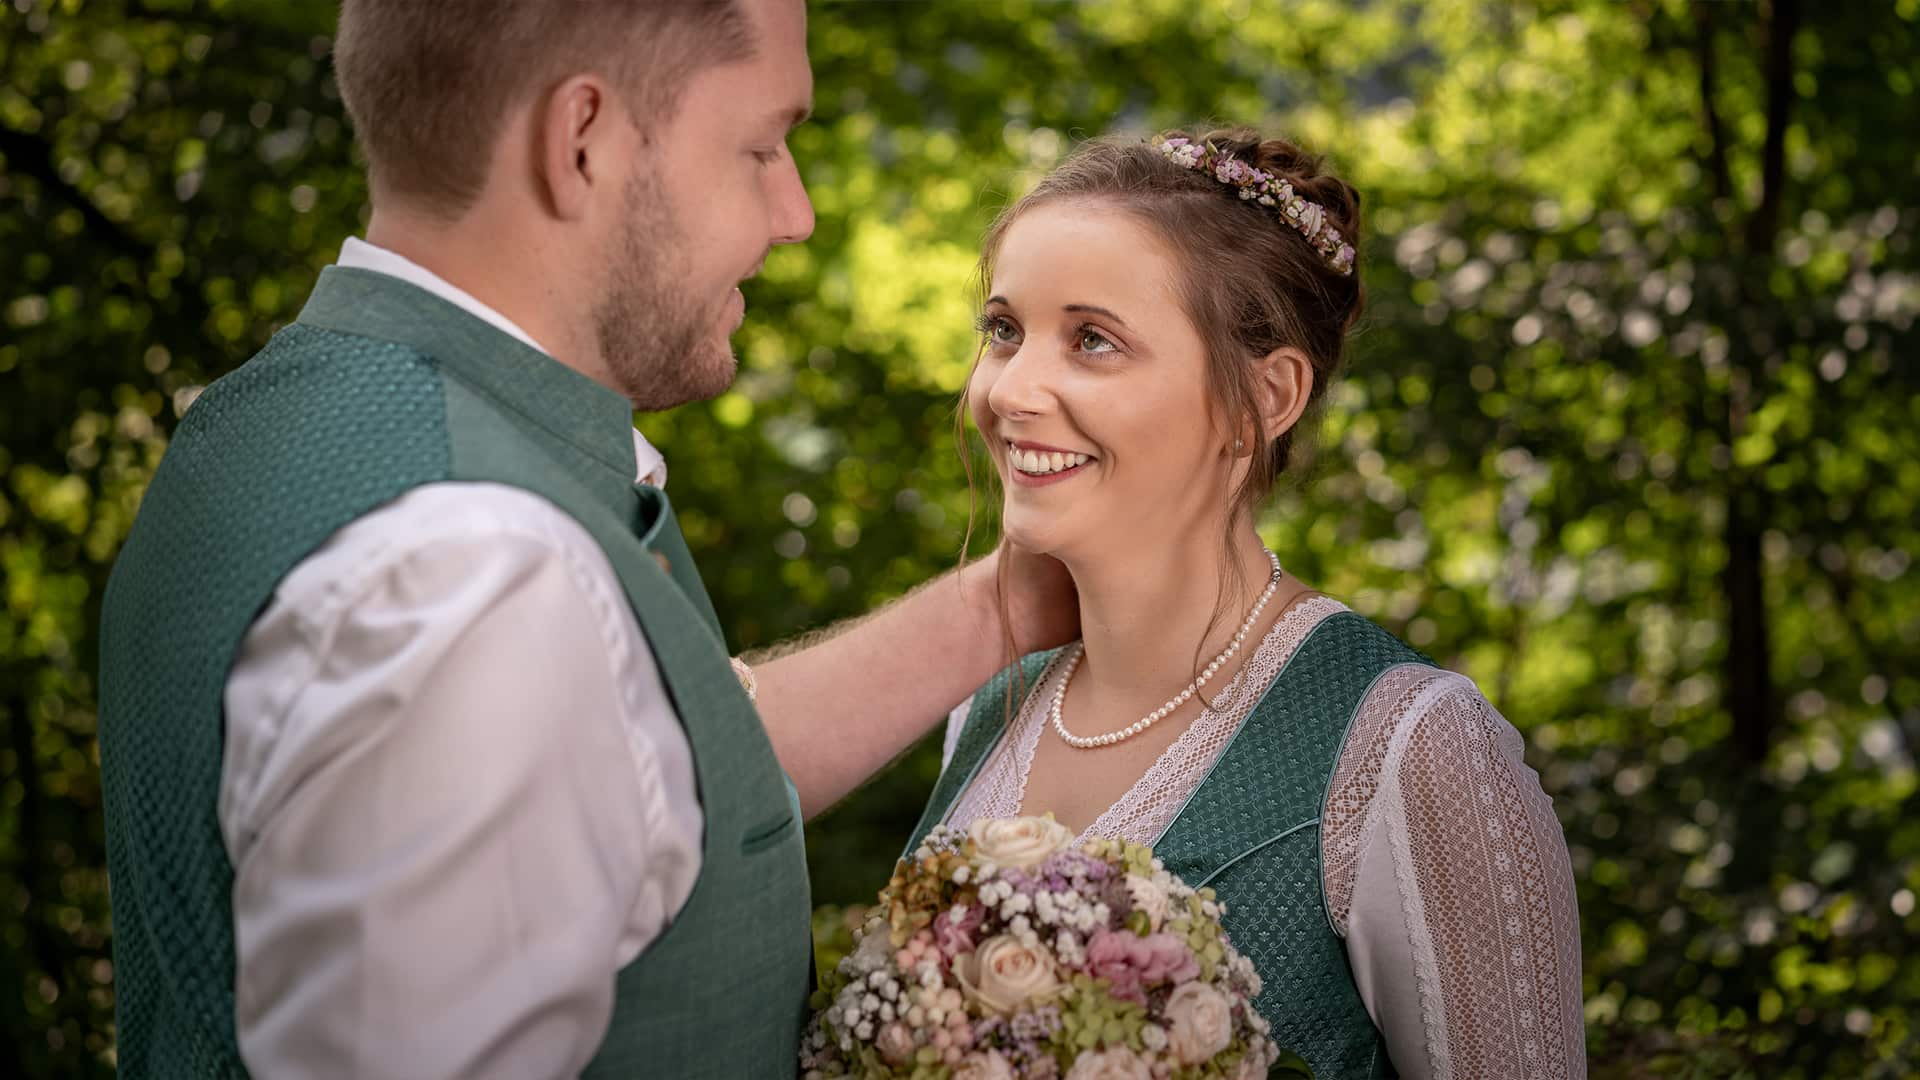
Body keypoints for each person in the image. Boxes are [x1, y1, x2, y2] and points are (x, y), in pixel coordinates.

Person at [94, 2, 1074, 1077]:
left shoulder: (273, 418)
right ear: (584, 143)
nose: (793, 212)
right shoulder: (476, 570)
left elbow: (650, 781)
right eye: (759, 147)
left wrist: (1007, 604)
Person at [909, 129, 1586, 1079]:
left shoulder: (1408, 747)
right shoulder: (986, 705)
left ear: (1262, 399)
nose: (1010, 390)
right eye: (1004, 331)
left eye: (1093, 340)